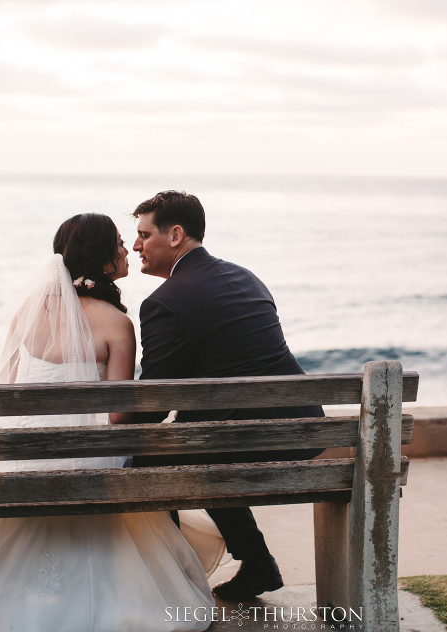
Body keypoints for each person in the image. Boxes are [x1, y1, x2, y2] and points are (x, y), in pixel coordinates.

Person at [0, 214, 224, 632]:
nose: (127, 249)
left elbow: (8, 392)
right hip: (87, 465)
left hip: (19, 457)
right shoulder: (117, 324)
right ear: (102, 259)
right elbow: (119, 417)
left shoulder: (28, 313)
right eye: (117, 243)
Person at [131, 191, 324, 601]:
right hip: (306, 427)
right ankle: (256, 564)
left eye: (144, 235)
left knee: (142, 460)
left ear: (176, 235)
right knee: (198, 443)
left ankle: (176, 581)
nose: (136, 246)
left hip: (248, 436)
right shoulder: (244, 275)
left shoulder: (165, 301)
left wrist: (114, 426)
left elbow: (153, 405)